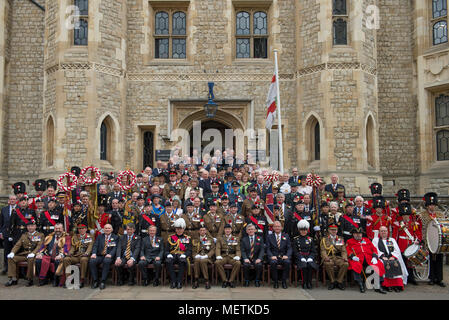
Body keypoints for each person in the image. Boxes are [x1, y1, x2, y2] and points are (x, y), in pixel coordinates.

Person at [346, 227, 386, 294]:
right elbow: (348, 250)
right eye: (356, 233)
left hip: (369, 258)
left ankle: (378, 285)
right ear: (353, 234)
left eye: (360, 233)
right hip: (358, 258)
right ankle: (360, 283)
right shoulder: (349, 241)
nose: (358, 235)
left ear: (362, 234)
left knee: (378, 264)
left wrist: (374, 256)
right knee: (355, 265)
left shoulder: (367, 240)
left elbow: (374, 249)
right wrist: (352, 256)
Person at [5, 220, 44, 287]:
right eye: (28, 226)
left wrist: (33, 253)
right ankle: (13, 278)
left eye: (32, 226)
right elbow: (18, 245)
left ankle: (30, 279)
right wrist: (12, 252)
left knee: (31, 260)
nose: (30, 227)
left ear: (35, 226)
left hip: (34, 255)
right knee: (11, 258)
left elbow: (39, 246)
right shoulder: (24, 235)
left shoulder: (40, 235)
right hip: (24, 254)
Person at [419, 192, 446, 287]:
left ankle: (439, 279)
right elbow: (421, 229)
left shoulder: (440, 215)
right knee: (431, 260)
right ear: (427, 206)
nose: (432, 207)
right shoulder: (422, 215)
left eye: (433, 205)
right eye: (430, 205)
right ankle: (431, 278)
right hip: (428, 240)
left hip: (439, 241)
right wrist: (423, 240)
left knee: (439, 259)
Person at [392, 202, 422, 285]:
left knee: (411, 263)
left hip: (411, 244)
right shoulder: (398, 224)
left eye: (407, 215)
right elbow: (395, 235)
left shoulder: (413, 224)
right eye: (404, 215)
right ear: (401, 216)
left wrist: (418, 240)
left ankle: (411, 278)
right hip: (402, 244)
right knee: (403, 262)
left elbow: (418, 233)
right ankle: (403, 278)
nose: (406, 217)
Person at [372, 226, 408, 292]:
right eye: (382, 231)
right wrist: (382, 256)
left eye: (385, 231)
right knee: (383, 263)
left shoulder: (391, 240)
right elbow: (375, 249)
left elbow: (397, 250)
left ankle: (397, 285)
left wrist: (393, 256)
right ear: (379, 232)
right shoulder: (376, 240)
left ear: (387, 232)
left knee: (396, 262)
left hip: (392, 257)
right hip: (382, 257)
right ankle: (388, 285)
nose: (383, 232)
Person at [59, 223, 93, 288]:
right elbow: (73, 247)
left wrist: (87, 253)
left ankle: (82, 279)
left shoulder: (90, 236)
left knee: (83, 260)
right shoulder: (75, 237)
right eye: (79, 229)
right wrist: (70, 253)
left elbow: (90, 246)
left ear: (86, 229)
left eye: (83, 228)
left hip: (84, 255)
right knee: (66, 259)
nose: (81, 230)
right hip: (76, 255)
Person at [89, 224, 120, 290]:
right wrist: (94, 253)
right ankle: (95, 281)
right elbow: (95, 246)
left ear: (112, 229)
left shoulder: (115, 237)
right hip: (100, 255)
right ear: (103, 229)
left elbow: (115, 248)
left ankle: (103, 281)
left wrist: (111, 254)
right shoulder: (99, 236)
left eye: (109, 228)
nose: (107, 229)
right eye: (106, 228)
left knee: (106, 261)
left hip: (109, 256)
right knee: (92, 261)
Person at [165, 218, 192, 289]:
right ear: (175, 229)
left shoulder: (187, 238)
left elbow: (189, 250)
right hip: (173, 255)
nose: (179, 230)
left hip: (182, 255)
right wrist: (168, 254)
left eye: (180, 229)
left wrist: (185, 255)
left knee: (182, 262)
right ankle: (173, 281)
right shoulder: (170, 238)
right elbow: (166, 250)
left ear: (183, 229)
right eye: (177, 229)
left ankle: (179, 282)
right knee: (168, 261)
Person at [320, 223, 348, 290]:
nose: (333, 231)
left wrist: (344, 257)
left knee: (345, 264)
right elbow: (323, 250)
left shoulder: (340, 239)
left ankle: (339, 281)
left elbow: (343, 250)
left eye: (335, 230)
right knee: (328, 263)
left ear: (337, 230)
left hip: (338, 257)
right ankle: (332, 281)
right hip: (329, 257)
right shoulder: (324, 239)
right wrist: (325, 257)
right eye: (332, 230)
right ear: (329, 230)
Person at [292, 220, 318, 289]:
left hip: (309, 257)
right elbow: (295, 251)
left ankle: (309, 282)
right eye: (302, 230)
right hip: (300, 258)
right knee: (304, 266)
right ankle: (304, 282)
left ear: (307, 230)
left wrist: (311, 257)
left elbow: (313, 251)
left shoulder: (310, 239)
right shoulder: (295, 239)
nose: (303, 232)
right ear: (299, 230)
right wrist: (301, 257)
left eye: (305, 230)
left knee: (310, 265)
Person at [266, 221, 292, 289]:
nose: (277, 228)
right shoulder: (269, 237)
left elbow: (289, 248)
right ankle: (276, 281)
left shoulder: (286, 236)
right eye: (275, 226)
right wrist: (271, 256)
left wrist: (287, 256)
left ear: (281, 227)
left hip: (284, 257)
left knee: (287, 262)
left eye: (278, 226)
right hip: (274, 257)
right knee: (273, 263)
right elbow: (268, 249)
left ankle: (284, 281)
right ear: (273, 228)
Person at [0, 195, 17, 274]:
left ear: (16, 200)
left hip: (16, 234)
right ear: (9, 200)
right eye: (11, 199)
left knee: (16, 251)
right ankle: (6, 267)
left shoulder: (19, 209)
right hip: (6, 233)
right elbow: (1, 222)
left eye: (14, 199)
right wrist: (1, 232)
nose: (12, 201)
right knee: (6, 251)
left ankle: (15, 269)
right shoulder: (4, 209)